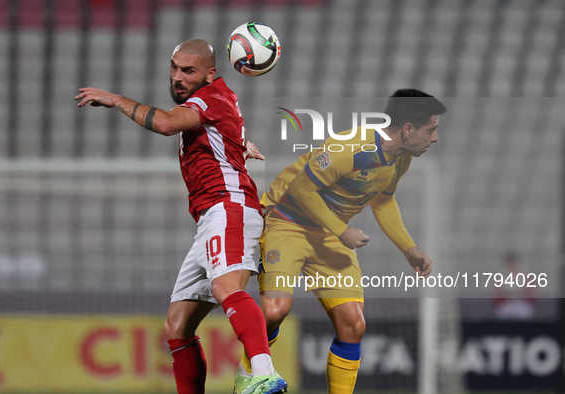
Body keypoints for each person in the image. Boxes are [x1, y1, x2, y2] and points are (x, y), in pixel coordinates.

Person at [75, 39, 287, 394]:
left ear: (210, 73)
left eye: (188, 71)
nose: (177, 77)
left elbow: (167, 124)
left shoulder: (207, 99)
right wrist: (238, 145)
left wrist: (115, 100)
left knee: (225, 287)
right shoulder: (215, 101)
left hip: (228, 207)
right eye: (174, 68)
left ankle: (263, 373)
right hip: (211, 217)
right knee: (177, 326)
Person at [235, 89, 447, 394]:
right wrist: (341, 230)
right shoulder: (350, 147)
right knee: (274, 311)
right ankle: (247, 374)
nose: (435, 138)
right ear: (408, 129)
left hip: (329, 234)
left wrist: (408, 248)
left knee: (353, 324)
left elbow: (384, 201)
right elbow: (301, 190)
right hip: (286, 221)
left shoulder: (400, 160)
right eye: (432, 129)